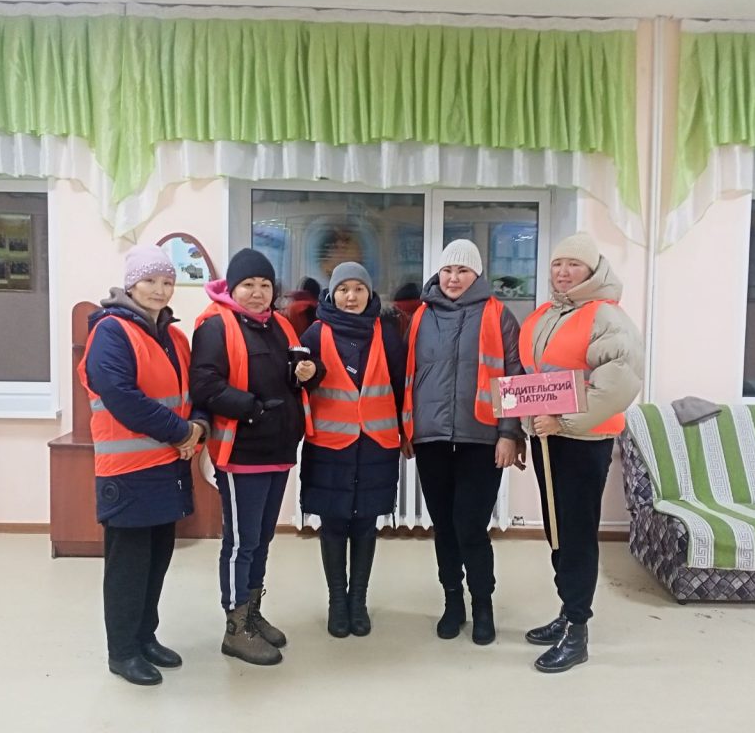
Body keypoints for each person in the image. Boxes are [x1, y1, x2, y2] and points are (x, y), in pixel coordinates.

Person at [78, 245, 206, 686]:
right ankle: (123, 651)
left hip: (167, 466)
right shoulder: (111, 331)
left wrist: (198, 428)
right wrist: (182, 432)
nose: (159, 289)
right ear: (131, 284)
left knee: (156, 560)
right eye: (150, 280)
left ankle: (145, 637)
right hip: (128, 472)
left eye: (167, 281)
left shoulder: (173, 336)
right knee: (128, 566)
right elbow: (122, 397)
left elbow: (193, 393)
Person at [190, 248, 325, 666]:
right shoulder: (215, 326)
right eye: (248, 284)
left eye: (265, 284)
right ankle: (235, 627)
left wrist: (309, 373)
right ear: (232, 288)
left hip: (278, 450)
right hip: (241, 451)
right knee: (241, 542)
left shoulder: (280, 325)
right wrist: (253, 409)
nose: (257, 292)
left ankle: (252, 612)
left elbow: (296, 374)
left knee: (262, 539)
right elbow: (205, 386)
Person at [520, 232, 643, 674]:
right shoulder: (545, 315)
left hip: (582, 441)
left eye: (573, 264)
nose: (563, 271)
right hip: (547, 438)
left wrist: (564, 421)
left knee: (576, 533)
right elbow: (533, 378)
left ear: (592, 270)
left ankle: (577, 630)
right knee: (557, 530)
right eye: (558, 264)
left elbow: (619, 381)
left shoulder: (606, 316)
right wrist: (529, 422)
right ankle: (567, 610)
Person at [401, 239, 525, 645]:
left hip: (482, 439)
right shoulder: (421, 316)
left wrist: (509, 433)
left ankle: (482, 604)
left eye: (463, 271)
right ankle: (452, 601)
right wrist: (407, 429)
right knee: (444, 527)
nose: (453, 278)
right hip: (432, 438)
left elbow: (513, 377)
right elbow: (408, 375)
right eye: (447, 270)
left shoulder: (499, 315)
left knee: (470, 526)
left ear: (477, 274)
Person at [298, 262, 406, 638]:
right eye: (343, 289)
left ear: (369, 293)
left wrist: (407, 432)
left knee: (365, 525)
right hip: (329, 446)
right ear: (332, 293)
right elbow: (298, 385)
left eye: (358, 289)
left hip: (376, 444)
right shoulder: (314, 333)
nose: (351, 296)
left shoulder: (387, 333)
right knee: (333, 524)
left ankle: (358, 601)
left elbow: (401, 386)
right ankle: (336, 602)